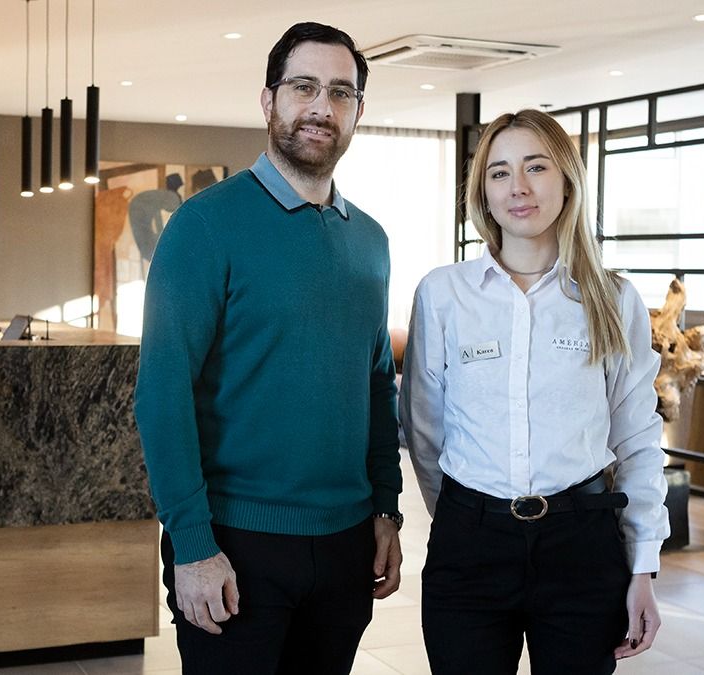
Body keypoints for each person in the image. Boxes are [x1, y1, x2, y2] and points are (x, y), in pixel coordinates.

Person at [135, 21, 403, 675]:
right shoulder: (203, 226)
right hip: (235, 544)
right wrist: (193, 543)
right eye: (304, 86)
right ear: (268, 99)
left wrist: (387, 508)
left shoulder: (371, 241)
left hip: (345, 546)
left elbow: (375, 384)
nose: (322, 107)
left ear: (358, 112)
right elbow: (161, 393)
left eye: (341, 93)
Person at [399, 109, 669, 674]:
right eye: (499, 173)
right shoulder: (443, 294)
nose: (517, 187)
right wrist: (463, 517)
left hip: (583, 547)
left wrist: (642, 566)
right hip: (469, 550)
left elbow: (639, 439)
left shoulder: (614, 299)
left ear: (567, 180)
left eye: (535, 166)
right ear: (483, 193)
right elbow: (425, 431)